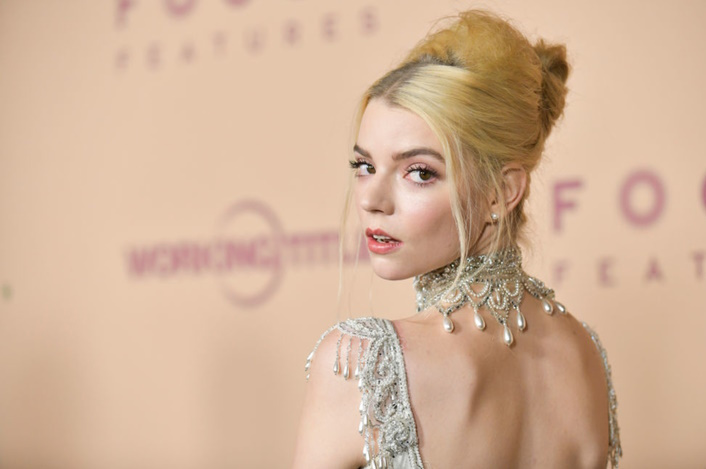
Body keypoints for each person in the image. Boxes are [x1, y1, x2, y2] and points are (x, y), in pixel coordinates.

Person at [292, 10, 621, 469]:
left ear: (501, 191)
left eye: (419, 172)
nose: (372, 200)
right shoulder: (584, 351)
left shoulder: (362, 363)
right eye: (365, 166)